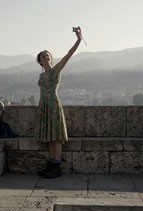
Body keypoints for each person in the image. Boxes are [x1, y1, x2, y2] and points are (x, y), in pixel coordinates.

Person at [35, 26, 82, 178]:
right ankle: (51, 164)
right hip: (44, 106)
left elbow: (68, 55)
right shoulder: (41, 77)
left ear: (51, 58)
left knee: (55, 137)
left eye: (47, 55)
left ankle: (56, 166)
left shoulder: (56, 70)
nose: (46, 57)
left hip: (53, 105)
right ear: (40, 62)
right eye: (43, 56)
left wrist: (79, 39)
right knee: (48, 137)